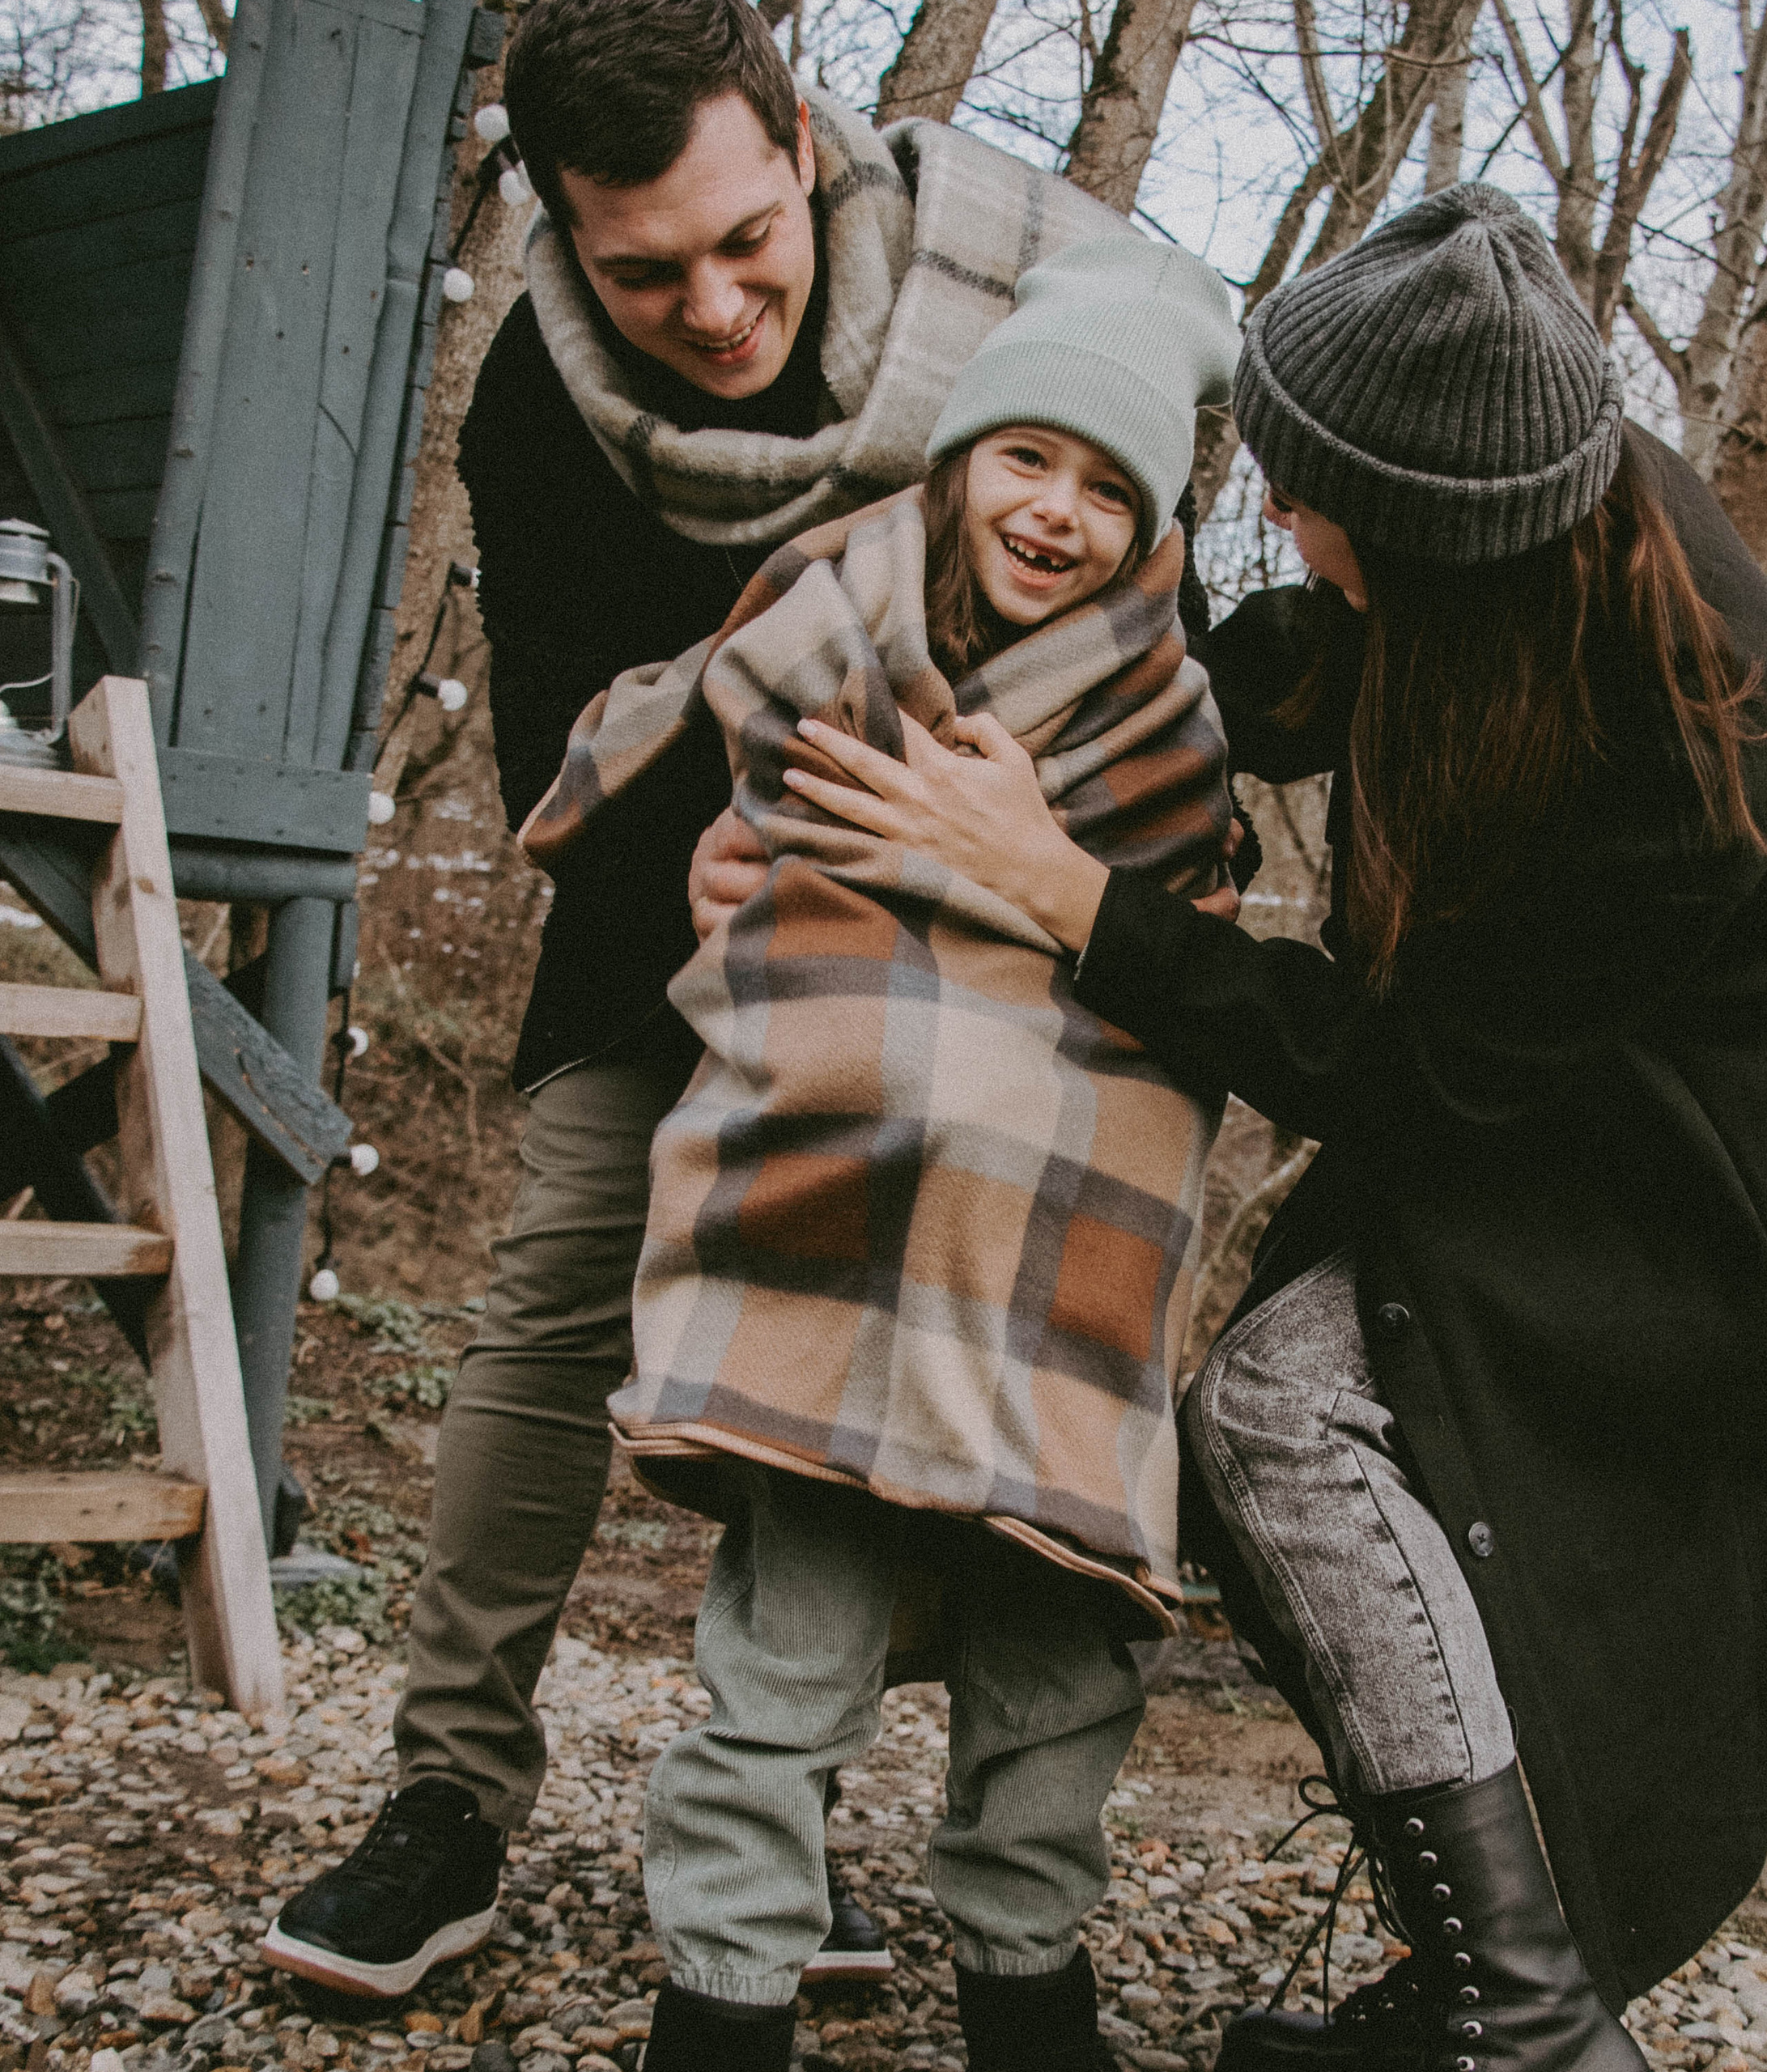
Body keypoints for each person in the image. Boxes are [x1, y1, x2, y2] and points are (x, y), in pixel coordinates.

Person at [723, 185, 1767, 2072]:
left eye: (1304, 492)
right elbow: (1289, 658)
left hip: (1655, 1183)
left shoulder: (1692, 732)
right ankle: (1479, 1981)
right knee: (1270, 1431)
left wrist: (1064, 887)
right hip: (1511, 1095)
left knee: (1283, 1417)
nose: (1267, 507)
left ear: (1428, 536)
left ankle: (1521, 2013)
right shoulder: (1489, 507)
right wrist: (1069, 638)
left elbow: (1393, 1067)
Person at [261, 0, 1158, 2002]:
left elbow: (1115, 586)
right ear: (564, 235)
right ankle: (447, 1795)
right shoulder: (538, 392)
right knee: (553, 1299)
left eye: (744, 242)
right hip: (666, 900)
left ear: (801, 144)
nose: (715, 308)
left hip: (959, 933)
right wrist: (719, 852)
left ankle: (782, 1816)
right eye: (642, 272)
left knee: (854, 1365)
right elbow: (551, 749)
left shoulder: (996, 308)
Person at [513, 236, 1240, 2072]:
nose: (1056, 512)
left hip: (1060, 1246)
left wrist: (1014, 877)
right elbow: (725, 818)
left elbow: (1182, 956)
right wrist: (752, 881)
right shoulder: (827, 619)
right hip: (831, 1207)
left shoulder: (1170, 709)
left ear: (1152, 526)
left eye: (1107, 488)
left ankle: (1028, 1987)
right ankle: (722, 2003)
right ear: (959, 460)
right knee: (789, 1645)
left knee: (1061, 1654)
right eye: (1027, 460)